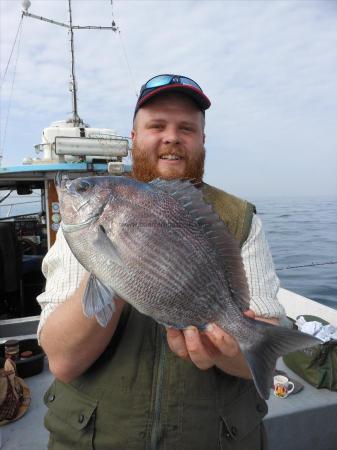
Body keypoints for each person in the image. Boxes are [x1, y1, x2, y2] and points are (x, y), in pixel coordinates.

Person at [37, 74, 285, 450]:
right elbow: (63, 362)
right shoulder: (84, 228)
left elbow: (260, 353)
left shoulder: (240, 218)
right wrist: (122, 267)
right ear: (134, 138)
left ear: (202, 141)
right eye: (156, 126)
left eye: (186, 127)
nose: (172, 136)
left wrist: (231, 349)